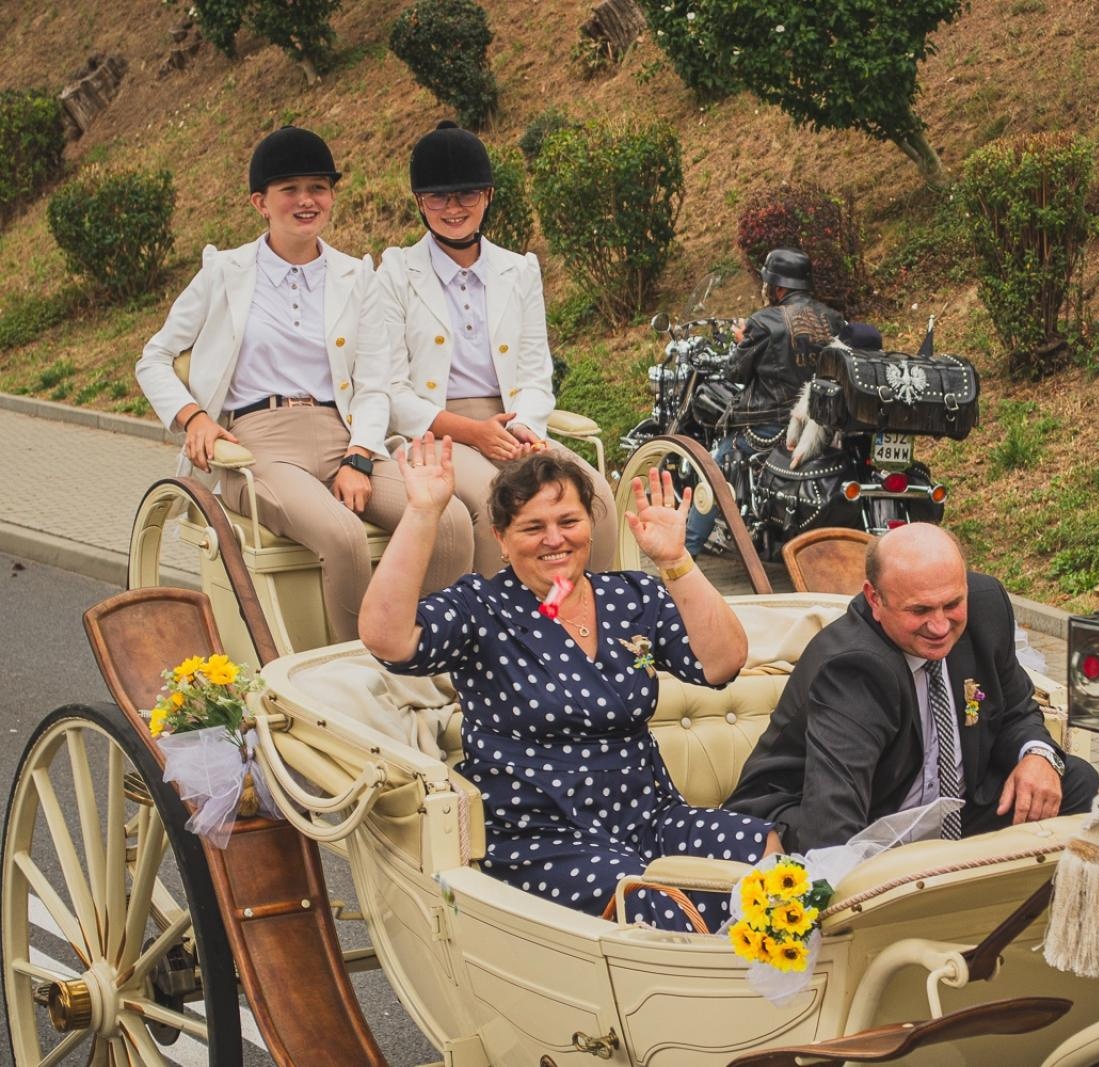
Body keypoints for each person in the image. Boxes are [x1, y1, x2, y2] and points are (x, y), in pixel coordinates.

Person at [359, 441, 776, 929]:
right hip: (540, 837)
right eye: (532, 527)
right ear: (502, 538)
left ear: (589, 526)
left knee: (770, 855)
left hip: (649, 818)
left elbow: (722, 662)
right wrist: (424, 512)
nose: (554, 540)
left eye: (568, 522)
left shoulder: (631, 595)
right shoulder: (482, 608)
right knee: (647, 898)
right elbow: (387, 639)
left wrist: (676, 559)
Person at [136, 126, 472, 644]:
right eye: (289, 189)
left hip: (345, 436)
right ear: (260, 203)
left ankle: (435, 660)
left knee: (449, 519)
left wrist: (360, 455)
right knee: (342, 536)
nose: (306, 200)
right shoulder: (225, 272)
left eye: (318, 187)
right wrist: (194, 417)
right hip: (261, 446)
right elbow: (154, 358)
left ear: (332, 196)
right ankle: (361, 679)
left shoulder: (355, 276)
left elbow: (375, 383)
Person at [725, 523, 1099, 851]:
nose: (939, 626)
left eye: (952, 604)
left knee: (1076, 780)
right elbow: (834, 815)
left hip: (949, 811)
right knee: (837, 851)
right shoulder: (853, 665)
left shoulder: (986, 608)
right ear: (875, 599)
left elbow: (1016, 711)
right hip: (851, 816)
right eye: (919, 611)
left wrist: (1037, 756)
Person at [379, 121, 616, 576]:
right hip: (435, 430)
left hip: (511, 425)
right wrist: (475, 433)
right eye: (439, 197)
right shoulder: (395, 273)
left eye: (467, 194)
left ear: (487, 195)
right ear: (419, 202)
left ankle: (587, 615)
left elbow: (533, 372)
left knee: (594, 493)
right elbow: (391, 390)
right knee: (500, 499)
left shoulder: (518, 270)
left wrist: (525, 426)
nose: (454, 208)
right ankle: (497, 633)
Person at [685, 247, 846, 556]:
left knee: (713, 470)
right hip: (818, 421)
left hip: (768, 424)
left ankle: (685, 554)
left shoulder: (764, 321)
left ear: (779, 286)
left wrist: (740, 342)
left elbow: (736, 371)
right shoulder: (833, 319)